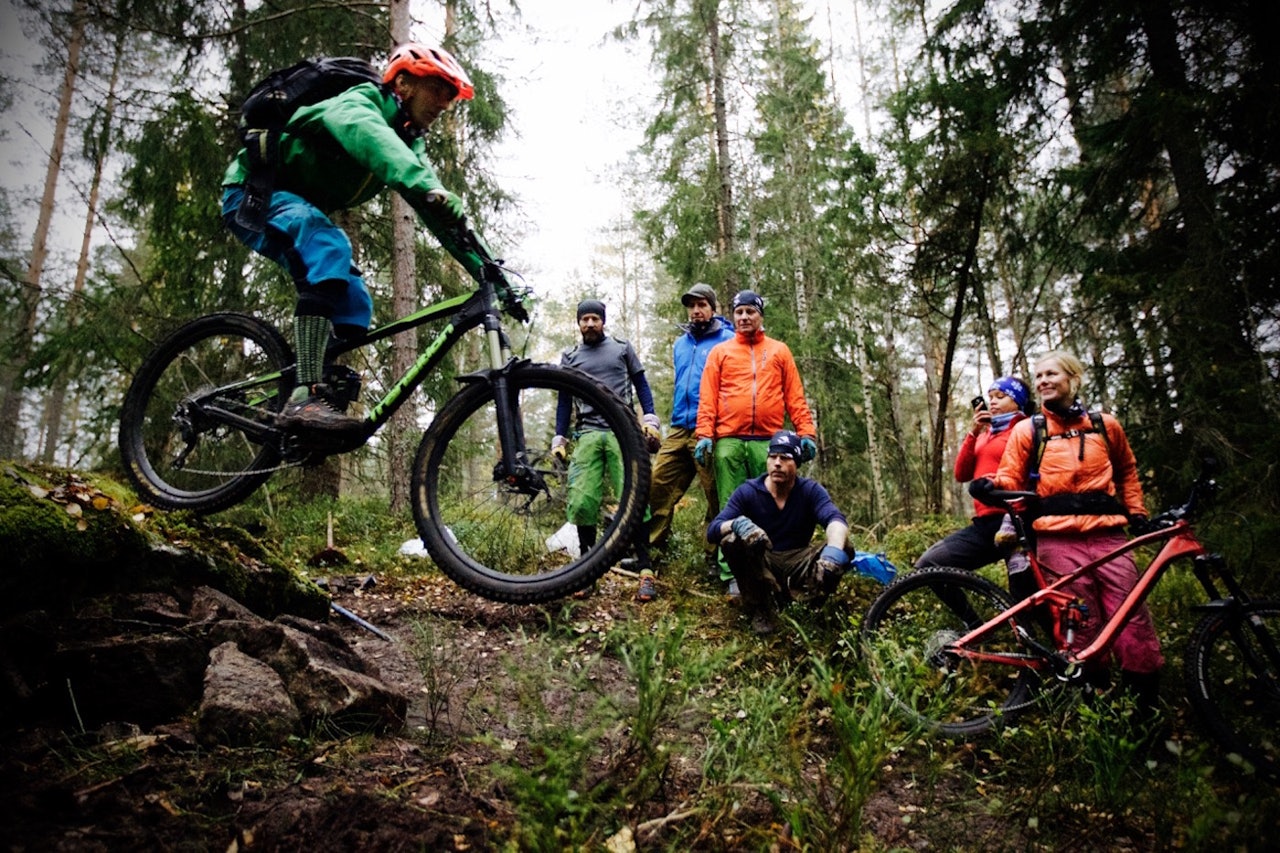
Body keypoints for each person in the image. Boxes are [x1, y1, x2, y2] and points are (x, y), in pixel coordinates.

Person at [221, 43, 515, 439]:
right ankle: (304, 395)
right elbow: (369, 137)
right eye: (440, 88)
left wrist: (494, 275)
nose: (446, 102)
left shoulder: (409, 143)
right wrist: (422, 183)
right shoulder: (360, 103)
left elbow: (442, 215)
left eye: (451, 95)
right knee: (330, 247)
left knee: (355, 300)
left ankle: (313, 407)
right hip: (253, 195)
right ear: (405, 83)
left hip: (298, 208)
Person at [976, 350, 1163, 723]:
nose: (1043, 380)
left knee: (1131, 621)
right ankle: (1098, 710)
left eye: (1051, 374)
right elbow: (1011, 477)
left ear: (1072, 378)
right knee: (1081, 625)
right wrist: (990, 486)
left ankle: (1145, 713)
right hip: (1059, 542)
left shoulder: (1105, 425)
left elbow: (1127, 472)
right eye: (1039, 375)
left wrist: (1137, 513)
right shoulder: (1029, 429)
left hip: (1110, 538)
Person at [694, 290, 817, 596]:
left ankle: (772, 567)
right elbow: (708, 397)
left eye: (750, 311)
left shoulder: (778, 351)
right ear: (733, 316)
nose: (744, 317)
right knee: (730, 508)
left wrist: (806, 433)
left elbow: (795, 396)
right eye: (739, 312)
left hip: (769, 441)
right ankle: (733, 575)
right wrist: (705, 434)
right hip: (729, 440)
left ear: (761, 316)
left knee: (768, 506)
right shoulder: (720, 352)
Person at [552, 299, 662, 597]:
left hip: (623, 432)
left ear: (603, 321)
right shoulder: (570, 356)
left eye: (594, 319)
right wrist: (559, 439)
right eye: (584, 319)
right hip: (587, 433)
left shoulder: (621, 348)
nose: (589, 324)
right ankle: (587, 573)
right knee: (582, 501)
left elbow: (641, 384)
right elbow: (564, 400)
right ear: (578, 323)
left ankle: (646, 571)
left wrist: (650, 419)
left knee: (636, 501)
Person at [641, 283, 735, 600]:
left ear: (713, 307)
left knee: (715, 495)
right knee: (658, 485)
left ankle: (714, 557)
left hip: (712, 429)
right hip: (679, 428)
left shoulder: (728, 339)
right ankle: (653, 555)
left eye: (702, 304)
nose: (696, 310)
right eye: (692, 305)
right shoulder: (681, 344)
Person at [706, 430, 851, 635]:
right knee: (730, 541)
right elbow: (713, 531)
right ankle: (760, 608)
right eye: (772, 457)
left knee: (844, 544)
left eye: (785, 458)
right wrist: (736, 524)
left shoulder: (809, 490)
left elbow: (835, 520)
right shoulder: (748, 491)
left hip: (798, 559)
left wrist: (833, 553)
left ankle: (812, 602)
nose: (777, 463)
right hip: (764, 560)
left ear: (797, 463)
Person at [916, 376, 1038, 601]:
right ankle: (974, 627)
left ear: (1018, 402)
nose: (992, 402)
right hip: (986, 524)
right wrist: (973, 432)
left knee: (1026, 599)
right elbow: (961, 474)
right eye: (990, 397)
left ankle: (1031, 635)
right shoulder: (984, 435)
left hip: (1017, 520)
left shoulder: (1024, 431)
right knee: (929, 565)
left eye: (1001, 397)